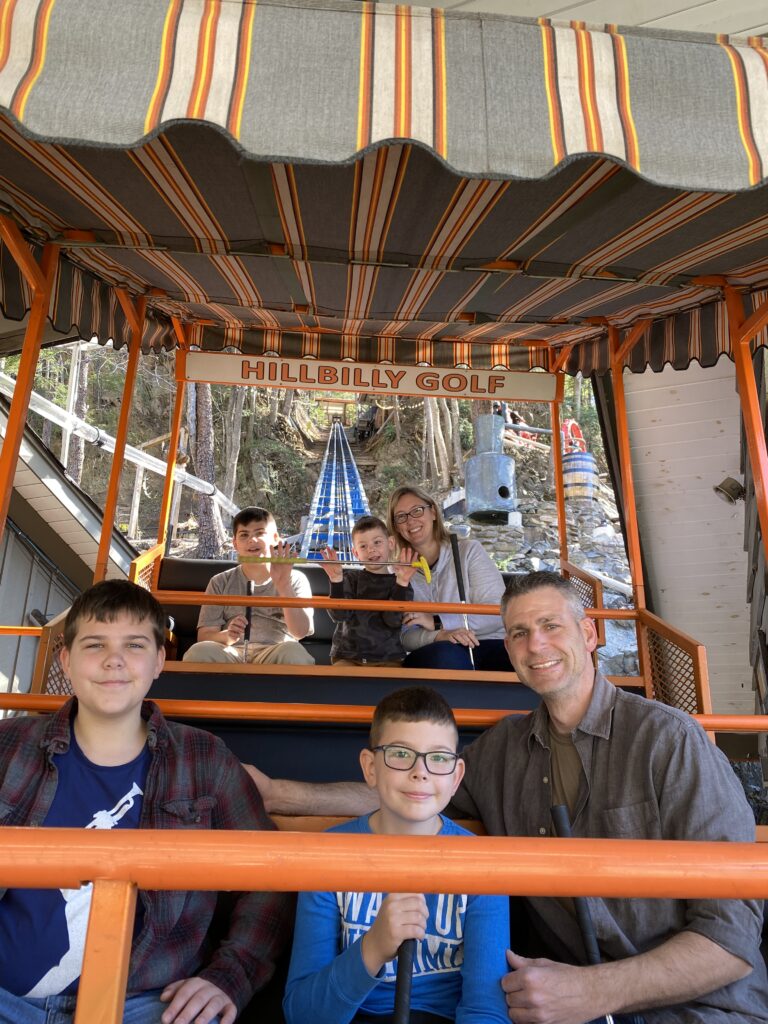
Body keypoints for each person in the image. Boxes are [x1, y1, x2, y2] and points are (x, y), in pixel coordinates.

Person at [248, 571, 768, 1023]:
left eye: (550, 626)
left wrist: (593, 990)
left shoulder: (669, 740)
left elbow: (732, 939)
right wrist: (282, 793)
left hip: (695, 1009)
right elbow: (406, 793)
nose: (534, 646)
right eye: (519, 633)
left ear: (588, 634)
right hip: (559, 1005)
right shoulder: (503, 749)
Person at [0, 579, 290, 1024]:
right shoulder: (8, 747)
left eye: (134, 645)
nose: (114, 660)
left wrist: (231, 973)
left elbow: (269, 878)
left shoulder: (204, 758)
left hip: (148, 1003)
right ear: (66, 661)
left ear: (159, 661)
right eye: (94, 644)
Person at [283, 686, 509, 1024]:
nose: (421, 771)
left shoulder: (482, 866)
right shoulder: (327, 856)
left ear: (456, 776)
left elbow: (485, 1010)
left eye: (439, 758)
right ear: (370, 768)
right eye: (401, 754)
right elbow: (303, 1014)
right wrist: (373, 947)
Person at [387, 485, 510, 671]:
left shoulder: (469, 552)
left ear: (434, 513)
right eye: (401, 517)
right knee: (446, 657)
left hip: (488, 643)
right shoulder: (398, 572)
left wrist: (437, 622)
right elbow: (403, 635)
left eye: (417, 511)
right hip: (435, 649)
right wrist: (438, 635)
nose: (410, 521)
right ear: (396, 527)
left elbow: (497, 613)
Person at [183, 505, 314, 665]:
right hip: (230, 653)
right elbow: (204, 636)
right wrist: (228, 635)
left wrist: (284, 585)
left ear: (275, 538)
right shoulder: (219, 582)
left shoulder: (296, 579)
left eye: (259, 533)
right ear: (235, 543)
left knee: (294, 653)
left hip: (276, 651)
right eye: (244, 535)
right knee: (198, 652)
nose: (252, 540)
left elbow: (300, 632)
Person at [320, 514, 416, 667]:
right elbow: (339, 615)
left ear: (390, 543)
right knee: (337, 682)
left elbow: (392, 620)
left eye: (377, 542)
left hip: (388, 659)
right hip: (348, 657)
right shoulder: (350, 579)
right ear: (356, 553)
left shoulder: (400, 584)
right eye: (363, 546)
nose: (371, 550)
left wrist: (402, 582)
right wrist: (336, 580)